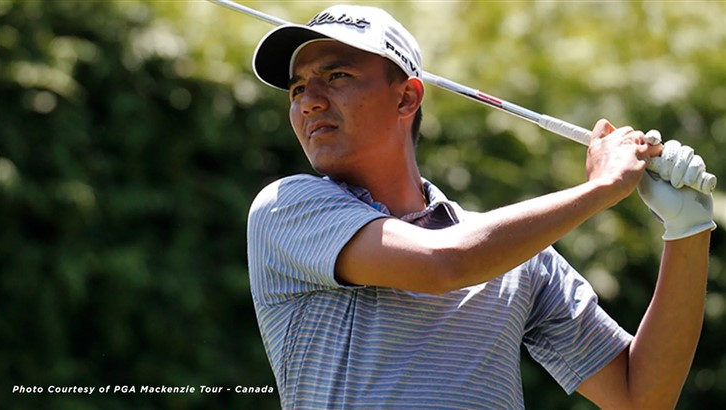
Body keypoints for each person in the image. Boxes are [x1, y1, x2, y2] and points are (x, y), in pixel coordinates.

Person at [246, 5, 716, 409]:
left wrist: (688, 228)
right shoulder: (287, 208)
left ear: (406, 96)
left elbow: (642, 397)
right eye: (297, 88)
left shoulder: (517, 256)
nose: (309, 101)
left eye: (336, 76)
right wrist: (602, 187)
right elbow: (446, 263)